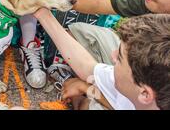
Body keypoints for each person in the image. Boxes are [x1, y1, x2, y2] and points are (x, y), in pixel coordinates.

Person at [45, 0, 170, 108]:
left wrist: (87, 89)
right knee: (79, 32)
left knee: (89, 105)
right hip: (141, 81)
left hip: (142, 97)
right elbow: (100, 3)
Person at [33, 10, 169, 110]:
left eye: (119, 58)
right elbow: (88, 67)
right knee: (91, 36)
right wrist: (42, 12)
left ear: (145, 93)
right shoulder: (147, 91)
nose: (113, 56)